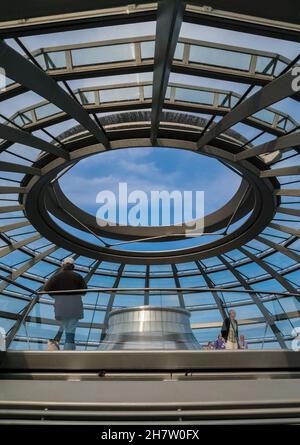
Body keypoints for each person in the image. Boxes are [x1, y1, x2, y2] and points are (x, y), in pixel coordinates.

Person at [44, 257, 86, 350]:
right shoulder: (78, 276)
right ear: (73, 266)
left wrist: (56, 297)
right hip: (75, 307)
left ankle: (61, 347)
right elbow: (84, 291)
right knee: (70, 330)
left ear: (63, 265)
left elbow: (46, 289)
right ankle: (68, 352)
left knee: (65, 327)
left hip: (60, 307)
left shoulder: (56, 276)